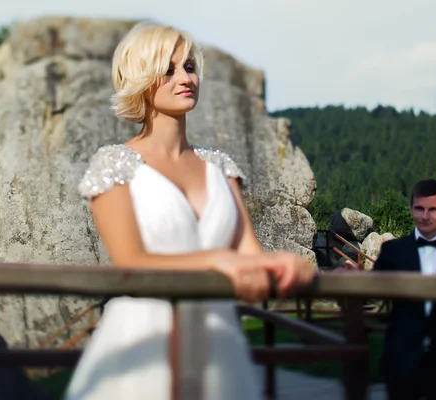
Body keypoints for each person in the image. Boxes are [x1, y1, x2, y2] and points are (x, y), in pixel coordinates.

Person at [64, 22, 315, 400]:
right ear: (141, 78)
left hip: (218, 341)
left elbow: (250, 257)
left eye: (189, 67)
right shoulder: (113, 164)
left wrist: (288, 264)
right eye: (168, 69)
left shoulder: (221, 168)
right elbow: (129, 261)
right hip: (143, 341)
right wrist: (218, 260)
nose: (185, 77)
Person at [350, 179, 436, 400]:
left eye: (433, 210)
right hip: (401, 362)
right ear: (411, 208)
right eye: (419, 208)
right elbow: (370, 291)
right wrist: (354, 279)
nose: (425, 216)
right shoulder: (393, 251)